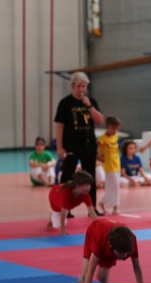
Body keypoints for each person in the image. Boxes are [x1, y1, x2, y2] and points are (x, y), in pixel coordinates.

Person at [55, 71, 104, 213]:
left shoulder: (91, 101)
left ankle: (92, 208)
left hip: (88, 145)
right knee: (67, 175)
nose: (81, 89)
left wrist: (89, 106)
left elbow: (99, 120)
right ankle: (65, 208)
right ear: (73, 86)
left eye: (84, 86)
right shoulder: (65, 103)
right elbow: (59, 126)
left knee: (90, 176)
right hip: (71, 145)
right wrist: (59, 147)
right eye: (78, 86)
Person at [78, 219, 151, 283]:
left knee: (101, 276)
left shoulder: (131, 241)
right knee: (87, 268)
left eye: (126, 253)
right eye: (120, 253)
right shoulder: (100, 241)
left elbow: (137, 267)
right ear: (111, 245)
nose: (124, 256)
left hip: (113, 241)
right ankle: (82, 276)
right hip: (95, 231)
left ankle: (103, 279)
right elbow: (91, 271)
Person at [47, 171, 98, 236]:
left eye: (90, 185)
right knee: (58, 223)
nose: (89, 187)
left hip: (68, 203)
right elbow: (63, 212)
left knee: (65, 209)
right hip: (55, 196)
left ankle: (53, 216)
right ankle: (53, 214)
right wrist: (63, 229)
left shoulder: (85, 195)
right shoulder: (67, 192)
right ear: (77, 185)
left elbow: (92, 211)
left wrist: (98, 226)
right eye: (86, 185)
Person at [97, 115, 122, 214]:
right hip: (109, 165)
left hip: (117, 163)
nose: (115, 131)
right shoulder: (102, 139)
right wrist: (99, 156)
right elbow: (96, 148)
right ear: (107, 127)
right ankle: (115, 207)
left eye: (117, 129)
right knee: (114, 186)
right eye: (113, 128)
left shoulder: (115, 137)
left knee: (115, 186)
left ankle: (102, 202)